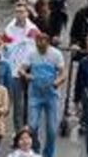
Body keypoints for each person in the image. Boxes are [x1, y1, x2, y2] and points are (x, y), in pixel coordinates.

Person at [22, 28, 67, 157]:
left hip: (51, 95)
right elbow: (22, 69)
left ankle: (48, 153)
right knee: (33, 126)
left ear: (48, 43)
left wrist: (57, 82)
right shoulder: (31, 54)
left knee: (52, 129)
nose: (41, 45)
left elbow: (63, 73)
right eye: (38, 42)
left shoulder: (56, 54)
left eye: (43, 42)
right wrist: (26, 75)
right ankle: (35, 151)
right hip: (35, 95)